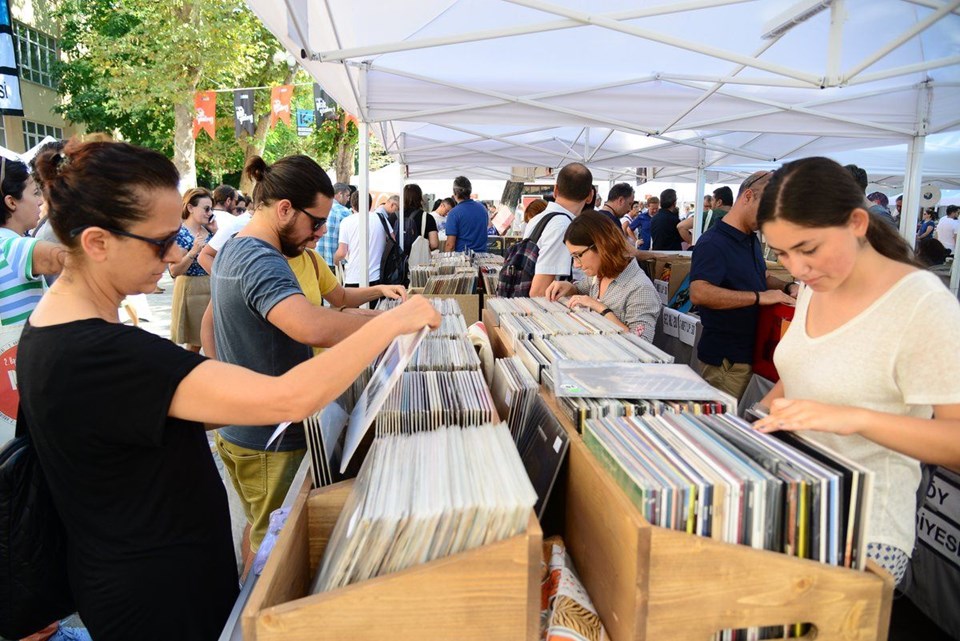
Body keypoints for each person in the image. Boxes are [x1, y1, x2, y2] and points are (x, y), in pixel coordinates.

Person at [19, 139, 441, 641]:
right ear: (97, 242)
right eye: (161, 241)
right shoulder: (101, 352)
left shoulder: (54, 333)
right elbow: (290, 398)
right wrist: (393, 323)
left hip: (143, 581)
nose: (177, 253)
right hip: (160, 600)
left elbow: (149, 420)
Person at [752, 156, 960, 586]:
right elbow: (802, 376)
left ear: (858, 223)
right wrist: (748, 428)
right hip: (788, 504)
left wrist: (855, 419)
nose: (797, 269)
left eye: (808, 249)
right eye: (782, 253)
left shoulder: (922, 305)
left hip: (862, 530)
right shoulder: (816, 285)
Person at [689, 171, 796, 399]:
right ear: (748, 196)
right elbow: (699, 292)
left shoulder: (750, 238)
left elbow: (761, 276)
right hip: (726, 361)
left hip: (749, 355)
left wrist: (788, 288)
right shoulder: (712, 243)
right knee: (723, 428)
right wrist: (758, 297)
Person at [544, 211, 661, 341]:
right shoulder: (601, 274)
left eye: (578, 256)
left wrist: (602, 309)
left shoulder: (640, 288)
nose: (576, 265)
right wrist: (569, 287)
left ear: (601, 245)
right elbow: (581, 288)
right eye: (573, 257)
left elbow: (642, 344)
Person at [0, 157, 66, 325]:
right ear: (11, 202)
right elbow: (74, 260)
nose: (41, 201)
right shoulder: (14, 248)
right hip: (21, 349)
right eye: (35, 192)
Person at [522, 162, 593, 297]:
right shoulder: (563, 227)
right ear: (590, 196)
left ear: (555, 190)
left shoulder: (538, 218)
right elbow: (539, 291)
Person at [169, 187, 216, 352]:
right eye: (206, 208)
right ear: (190, 208)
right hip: (191, 289)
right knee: (196, 342)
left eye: (211, 209)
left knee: (211, 338)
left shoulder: (209, 230)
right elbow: (174, 270)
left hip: (210, 287)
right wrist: (194, 251)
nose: (209, 213)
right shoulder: (180, 233)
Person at [336, 191, 389, 288]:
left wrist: (335, 260)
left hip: (354, 277)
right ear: (370, 203)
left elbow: (342, 252)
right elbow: (392, 240)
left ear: (352, 205)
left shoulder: (346, 222)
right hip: (378, 277)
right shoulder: (381, 218)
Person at [443, 176, 489, 252]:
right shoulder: (483, 209)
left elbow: (450, 245)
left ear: (455, 193)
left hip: (462, 259)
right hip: (483, 257)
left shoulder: (454, 213)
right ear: (469, 191)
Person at [317, 181, 352, 266]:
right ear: (340, 194)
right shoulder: (344, 212)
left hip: (319, 261)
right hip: (337, 263)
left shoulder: (319, 207)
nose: (348, 199)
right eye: (347, 196)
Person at [402, 183, 439, 253]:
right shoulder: (427, 217)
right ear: (420, 198)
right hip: (419, 259)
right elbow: (434, 244)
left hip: (398, 260)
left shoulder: (394, 216)